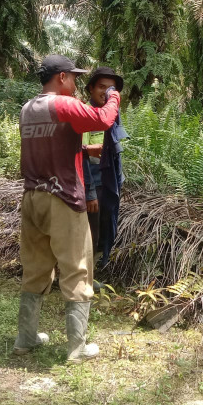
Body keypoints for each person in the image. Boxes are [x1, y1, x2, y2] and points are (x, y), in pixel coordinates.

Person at [13, 54, 120, 363]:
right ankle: (77, 348)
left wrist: (82, 149)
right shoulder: (63, 103)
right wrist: (113, 98)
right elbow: (102, 119)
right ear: (61, 78)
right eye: (73, 78)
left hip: (33, 198)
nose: (75, 84)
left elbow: (50, 143)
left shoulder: (27, 110)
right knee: (77, 269)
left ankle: (26, 338)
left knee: (35, 268)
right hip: (63, 199)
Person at [82, 67, 128, 270]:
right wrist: (89, 191)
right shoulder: (84, 114)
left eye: (112, 88)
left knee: (105, 228)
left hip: (109, 183)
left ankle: (99, 268)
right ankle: (84, 277)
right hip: (92, 184)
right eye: (102, 87)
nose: (106, 92)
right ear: (91, 89)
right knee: (90, 232)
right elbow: (79, 155)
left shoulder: (112, 115)